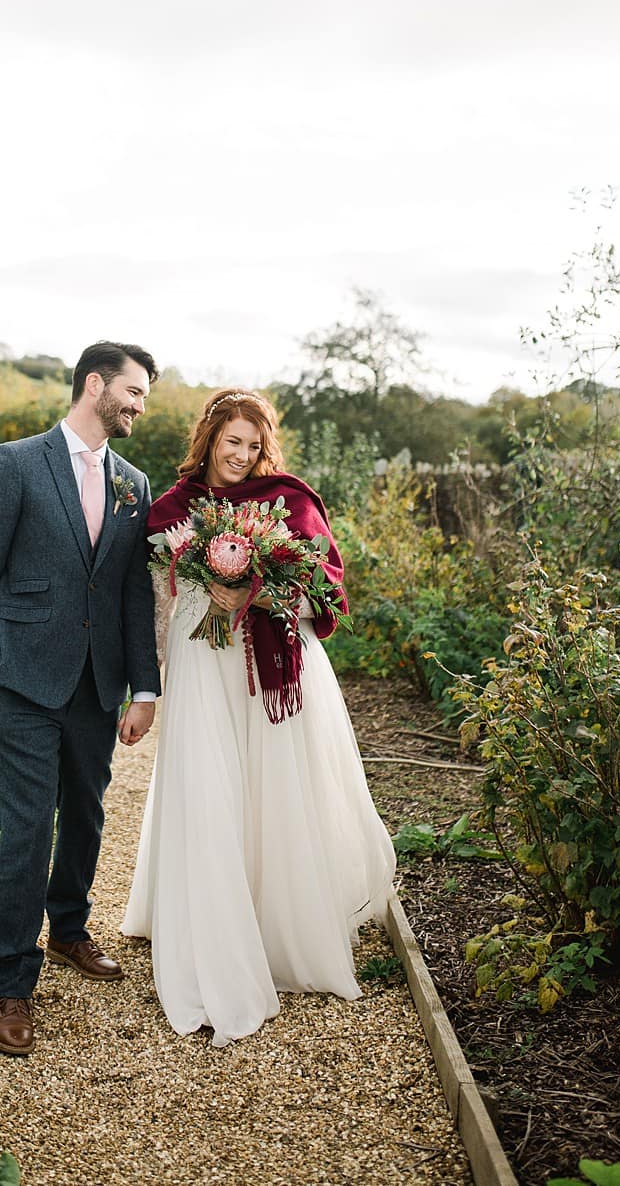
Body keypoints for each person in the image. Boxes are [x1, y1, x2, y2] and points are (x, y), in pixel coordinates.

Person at [122, 389, 396, 1047]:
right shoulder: (174, 506)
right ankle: (211, 933)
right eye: (231, 442)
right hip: (201, 662)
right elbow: (151, 591)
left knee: (271, 793)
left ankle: (274, 932)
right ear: (209, 440)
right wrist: (147, 682)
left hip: (267, 669)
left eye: (253, 444)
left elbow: (324, 587)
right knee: (208, 790)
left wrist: (257, 591)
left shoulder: (288, 500)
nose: (242, 455)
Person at [0, 340, 161, 1056]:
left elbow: (132, 593)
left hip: (96, 686)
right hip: (21, 682)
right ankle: (13, 982)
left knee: (86, 814)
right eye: (134, 392)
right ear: (95, 385)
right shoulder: (17, 462)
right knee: (26, 831)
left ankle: (70, 929)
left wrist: (144, 688)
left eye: (144, 397)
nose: (140, 407)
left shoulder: (133, 482)